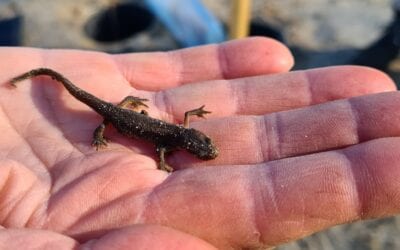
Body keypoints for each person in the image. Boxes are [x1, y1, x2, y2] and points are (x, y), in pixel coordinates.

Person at [0, 37, 398, 249]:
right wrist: (151, 160)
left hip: (127, 111)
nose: (205, 151)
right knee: (104, 113)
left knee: (118, 112)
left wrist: (189, 121)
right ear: (190, 146)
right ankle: (55, 85)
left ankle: (56, 83)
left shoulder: (181, 133)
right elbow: (159, 149)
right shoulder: (170, 143)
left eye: (202, 147)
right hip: (116, 114)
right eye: (203, 149)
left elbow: (180, 126)